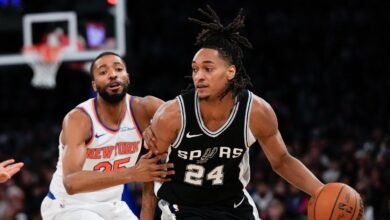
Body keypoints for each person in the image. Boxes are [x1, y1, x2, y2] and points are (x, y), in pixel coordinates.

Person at [143, 6, 324, 219]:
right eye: (195, 69)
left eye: (208, 69)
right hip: (183, 207)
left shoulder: (256, 112)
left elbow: (282, 160)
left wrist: (321, 191)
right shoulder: (172, 115)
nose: (198, 76)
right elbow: (150, 170)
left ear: (230, 72)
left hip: (233, 205)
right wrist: (146, 215)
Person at [41, 51, 174, 220]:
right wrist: (133, 173)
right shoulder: (79, 119)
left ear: (127, 77)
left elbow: (151, 167)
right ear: (94, 85)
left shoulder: (145, 109)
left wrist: (146, 214)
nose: (112, 75)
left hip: (112, 205)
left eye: (118, 69)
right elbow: (71, 182)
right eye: (103, 72)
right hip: (68, 205)